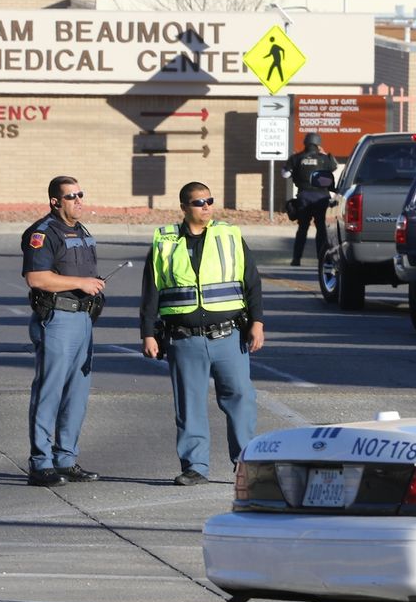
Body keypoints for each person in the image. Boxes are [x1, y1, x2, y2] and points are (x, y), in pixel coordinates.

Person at [140, 182, 265, 486]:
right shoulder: (165, 241)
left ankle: (245, 464)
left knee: (240, 398)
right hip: (184, 338)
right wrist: (148, 333)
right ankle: (195, 466)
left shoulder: (229, 235)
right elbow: (151, 291)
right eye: (199, 202)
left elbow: (252, 281)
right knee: (189, 404)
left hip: (228, 336)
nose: (206, 206)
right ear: (184, 207)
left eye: (209, 201)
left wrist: (257, 322)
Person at [21, 176, 104, 487]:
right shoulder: (42, 233)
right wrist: (81, 284)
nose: (79, 200)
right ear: (56, 201)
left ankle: (65, 459)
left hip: (83, 319)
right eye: (71, 196)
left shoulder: (81, 231)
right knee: (49, 391)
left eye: (80, 194)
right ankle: (40, 463)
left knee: (77, 393)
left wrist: (92, 287)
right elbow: (37, 278)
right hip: (57, 318)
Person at [282, 132, 337, 265]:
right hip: (321, 198)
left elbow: (285, 174)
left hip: (304, 197)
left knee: (302, 229)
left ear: (305, 143)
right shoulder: (324, 159)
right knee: (321, 229)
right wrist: (324, 154)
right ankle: (321, 260)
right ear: (318, 144)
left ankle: (296, 259)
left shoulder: (296, 158)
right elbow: (334, 167)